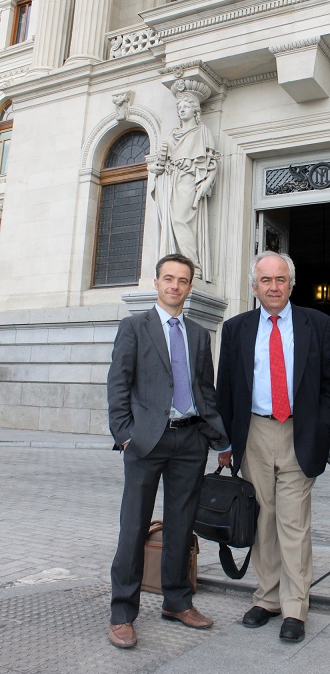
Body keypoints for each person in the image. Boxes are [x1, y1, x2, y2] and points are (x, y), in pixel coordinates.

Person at [215, 251, 330, 643]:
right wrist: (225, 441)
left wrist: (322, 429)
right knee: (262, 519)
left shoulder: (318, 324)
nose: (273, 287)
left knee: (293, 521)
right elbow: (227, 388)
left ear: (291, 283)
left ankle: (294, 607)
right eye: (266, 280)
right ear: (254, 287)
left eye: (280, 279)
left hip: (297, 433)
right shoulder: (236, 329)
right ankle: (266, 597)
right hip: (253, 432)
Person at [107, 253, 229, 649]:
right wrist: (125, 434)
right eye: (168, 279)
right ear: (157, 283)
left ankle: (177, 600)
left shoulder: (198, 334)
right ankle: (123, 612)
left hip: (190, 441)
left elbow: (205, 392)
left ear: (190, 287)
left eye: (182, 280)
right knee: (134, 526)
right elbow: (118, 384)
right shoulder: (134, 327)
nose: (175, 286)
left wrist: (219, 440)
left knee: (181, 525)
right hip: (147, 442)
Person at [151, 93, 220, 282]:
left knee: (181, 220)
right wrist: (153, 168)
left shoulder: (202, 131)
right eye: (179, 107)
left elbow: (212, 162)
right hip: (171, 180)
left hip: (189, 179)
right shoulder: (170, 135)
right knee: (172, 223)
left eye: (186, 107)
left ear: (195, 111)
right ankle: (176, 267)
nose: (181, 110)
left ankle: (192, 266)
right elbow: (158, 163)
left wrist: (207, 182)